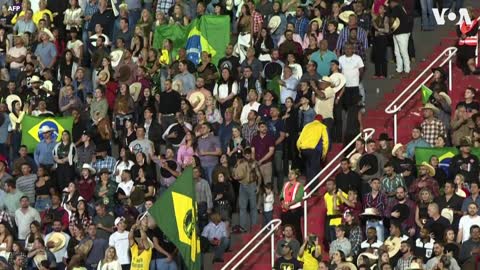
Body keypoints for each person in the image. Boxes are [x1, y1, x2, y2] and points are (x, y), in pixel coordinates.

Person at [296, 115, 329, 184]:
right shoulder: (322, 126)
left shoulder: (307, 126)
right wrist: (324, 154)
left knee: (308, 166)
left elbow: (299, 140)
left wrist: (299, 150)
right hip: (313, 150)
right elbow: (325, 141)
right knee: (314, 168)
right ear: (321, 121)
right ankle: (313, 187)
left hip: (304, 150)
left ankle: (308, 182)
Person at [280, 169, 304, 243]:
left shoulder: (299, 185)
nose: (289, 175)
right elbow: (281, 195)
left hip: (295, 210)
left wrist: (289, 204)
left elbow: (298, 198)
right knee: (285, 229)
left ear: (296, 176)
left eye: (292, 174)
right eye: (289, 173)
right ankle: (286, 246)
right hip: (285, 210)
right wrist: (283, 203)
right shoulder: (285, 184)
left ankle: (299, 246)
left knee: (296, 230)